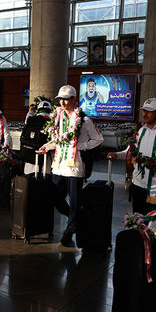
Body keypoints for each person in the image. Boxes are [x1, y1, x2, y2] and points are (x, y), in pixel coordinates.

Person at [39, 85, 103, 247]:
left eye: (66, 99)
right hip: (59, 165)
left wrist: (82, 146)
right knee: (55, 197)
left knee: (75, 201)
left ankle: (70, 230)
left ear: (74, 99)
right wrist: (46, 146)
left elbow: (98, 139)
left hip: (75, 167)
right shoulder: (58, 118)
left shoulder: (85, 120)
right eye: (60, 99)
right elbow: (58, 140)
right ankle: (75, 218)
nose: (63, 102)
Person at [107, 98, 156, 214]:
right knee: (137, 218)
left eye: (149, 111)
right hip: (137, 185)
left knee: (151, 221)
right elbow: (131, 153)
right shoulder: (140, 132)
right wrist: (116, 155)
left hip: (155, 188)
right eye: (144, 110)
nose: (145, 114)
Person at [23, 100, 53, 175]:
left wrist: (31, 110)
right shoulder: (52, 122)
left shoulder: (30, 120)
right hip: (45, 159)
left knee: (29, 180)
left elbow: (27, 118)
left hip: (30, 157)